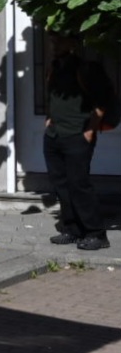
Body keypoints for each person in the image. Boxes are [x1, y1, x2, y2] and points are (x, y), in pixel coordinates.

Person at [44, 33, 113, 251]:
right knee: (61, 185)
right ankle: (72, 229)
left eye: (59, 41)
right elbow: (53, 98)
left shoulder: (87, 69)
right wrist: (49, 121)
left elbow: (104, 100)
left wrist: (90, 131)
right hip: (55, 135)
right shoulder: (55, 67)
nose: (53, 44)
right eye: (52, 41)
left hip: (77, 134)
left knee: (79, 184)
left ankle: (96, 234)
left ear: (72, 43)